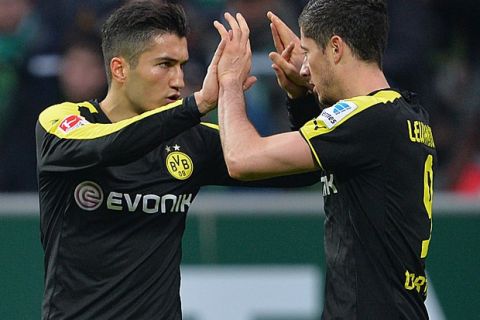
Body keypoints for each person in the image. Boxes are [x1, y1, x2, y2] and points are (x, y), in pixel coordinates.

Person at [35, 1, 317, 319]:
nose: (179, 81)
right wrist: (198, 104)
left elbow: (298, 172)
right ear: (119, 69)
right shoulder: (63, 121)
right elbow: (106, 147)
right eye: (165, 65)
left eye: (182, 65)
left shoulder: (190, 141)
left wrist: (302, 98)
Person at [214, 0, 436, 319]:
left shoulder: (366, 120)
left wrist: (231, 84)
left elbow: (240, 159)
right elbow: (329, 154)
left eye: (308, 52)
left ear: (335, 48)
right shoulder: (405, 114)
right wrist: (301, 97)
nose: (304, 68)